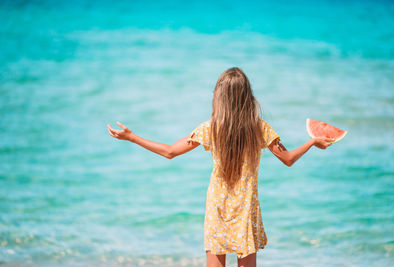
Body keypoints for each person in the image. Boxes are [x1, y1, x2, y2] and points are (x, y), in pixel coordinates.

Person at [107, 67, 333, 267]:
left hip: (218, 207)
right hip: (246, 208)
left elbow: (170, 152)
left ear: (220, 97)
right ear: (247, 96)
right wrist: (312, 141)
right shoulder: (260, 128)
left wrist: (133, 137)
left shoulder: (210, 129)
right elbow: (289, 158)